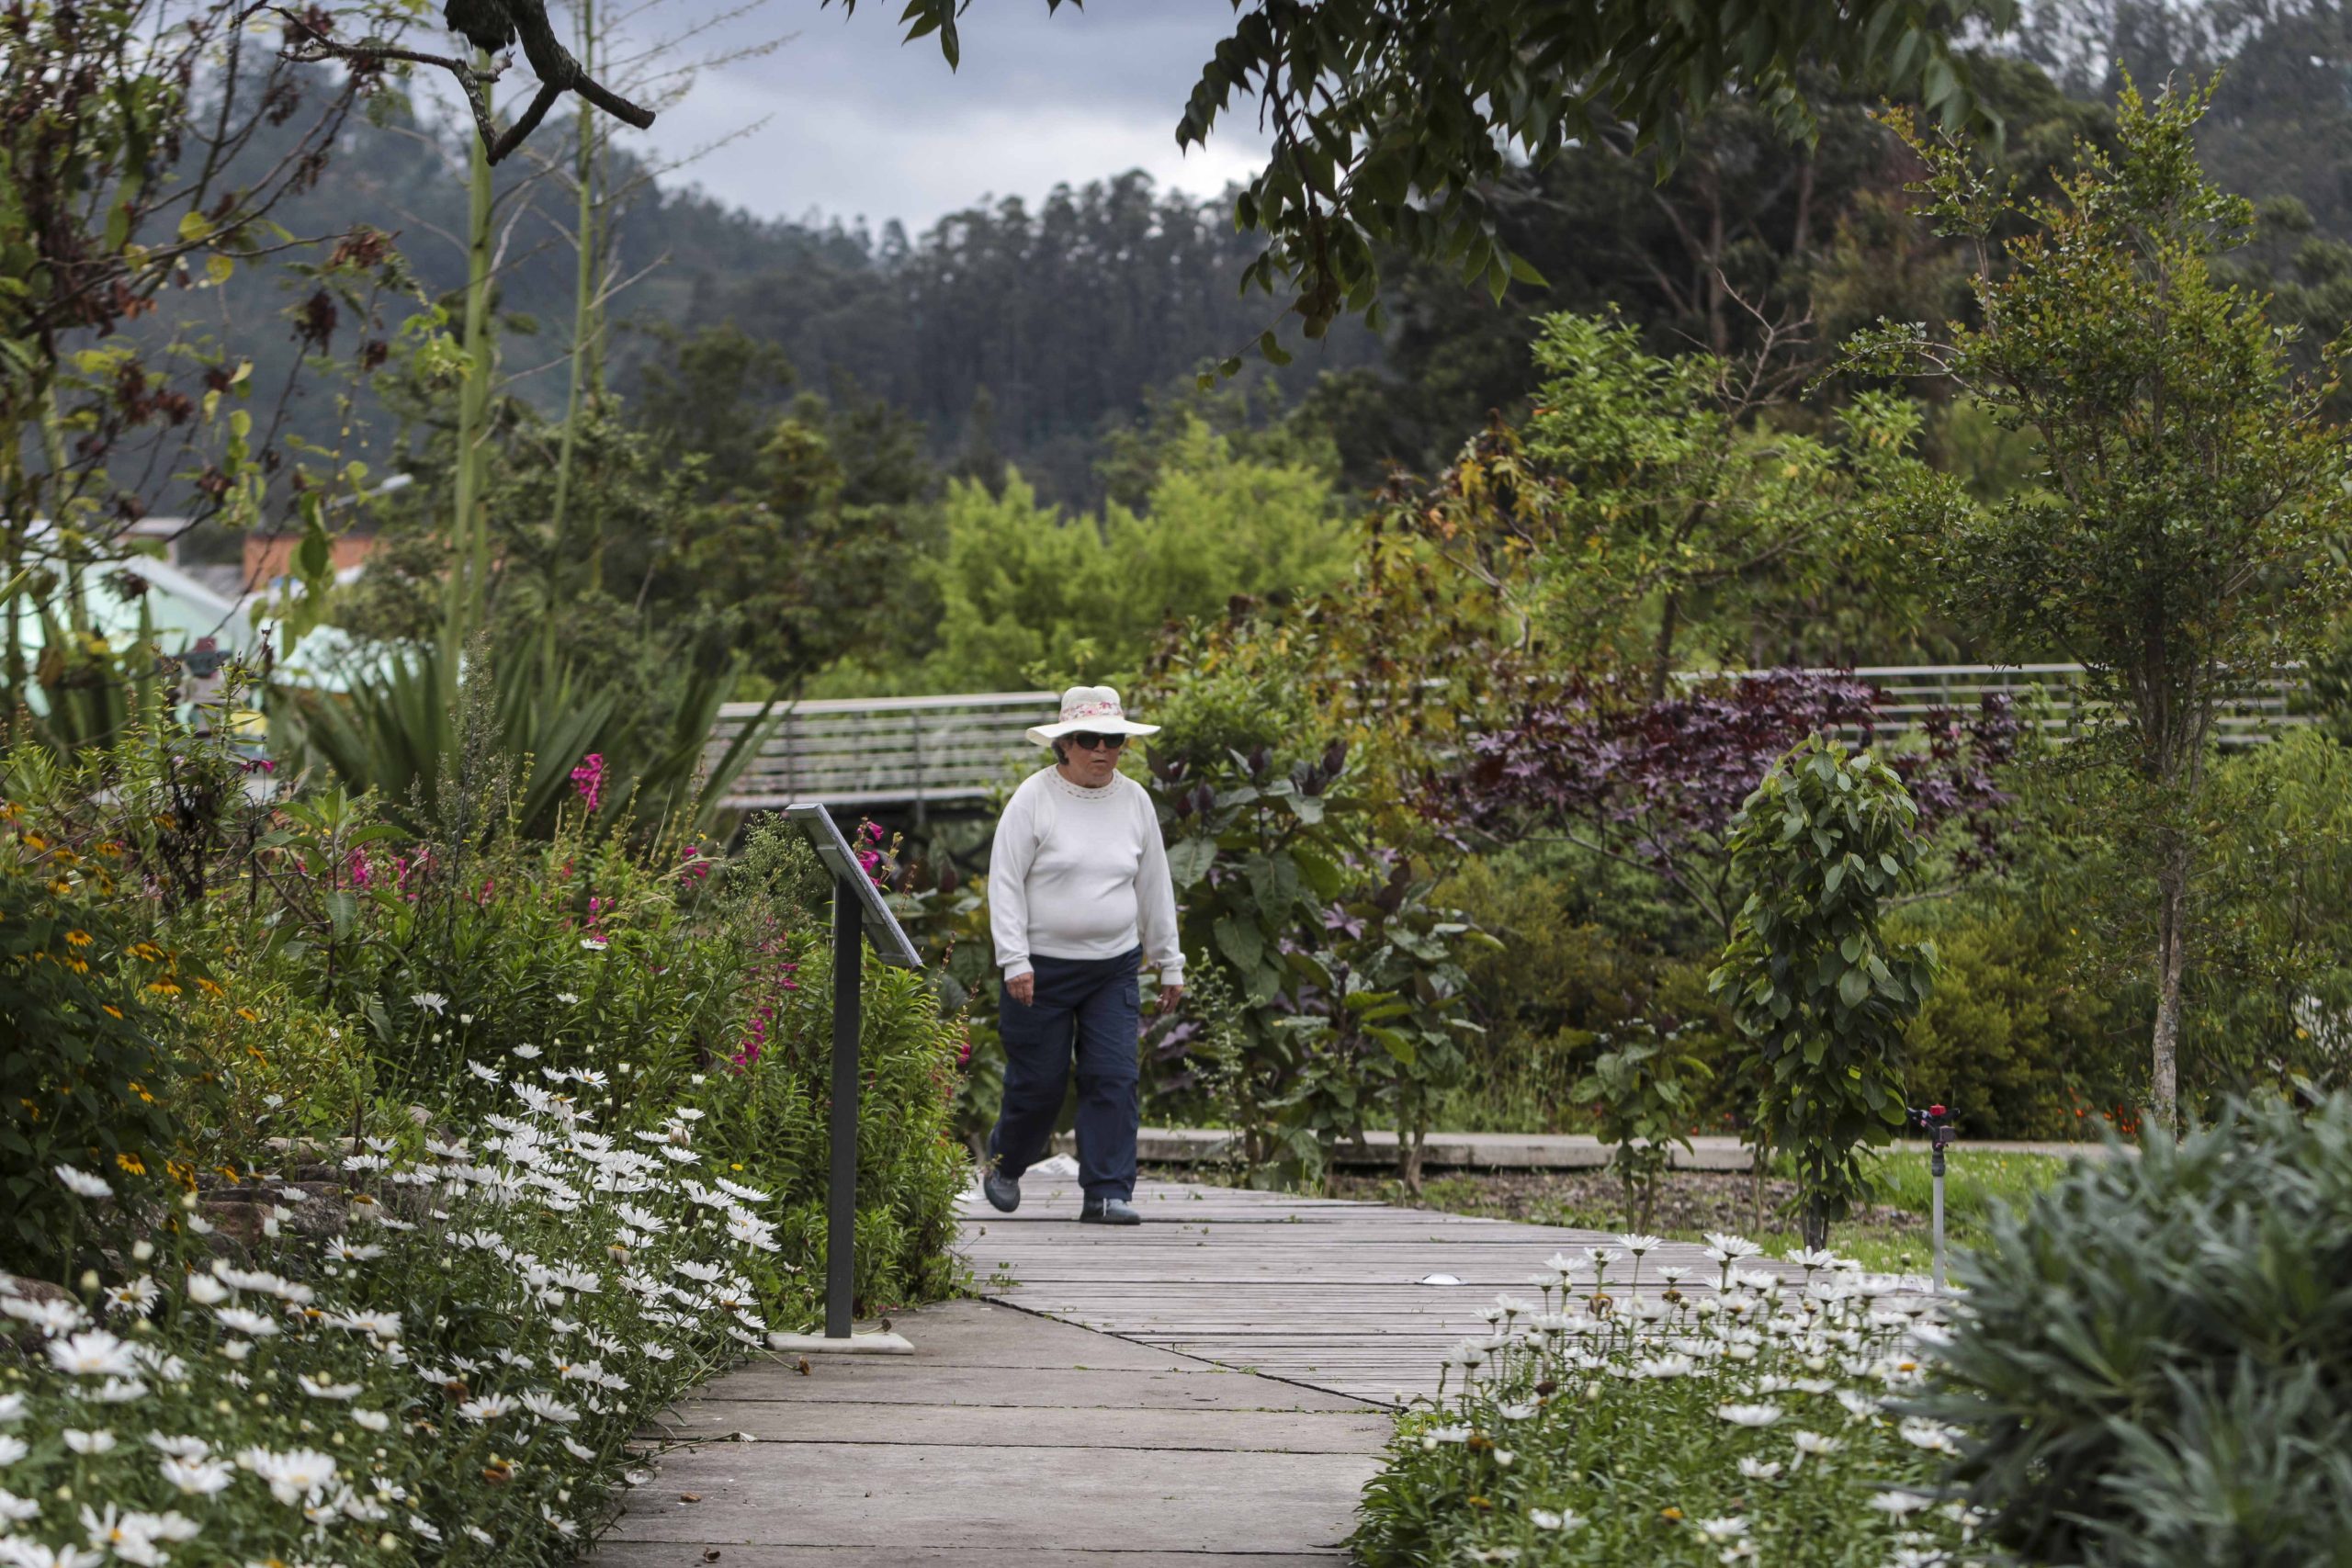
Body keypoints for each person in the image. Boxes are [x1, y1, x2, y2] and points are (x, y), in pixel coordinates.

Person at [981, 684, 1184, 1225]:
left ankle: (1108, 1193)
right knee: (1040, 1083)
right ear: (1065, 744)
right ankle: (1006, 1163)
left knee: (1113, 1076)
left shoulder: (1135, 801)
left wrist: (1170, 959)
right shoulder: (1033, 798)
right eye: (1090, 739)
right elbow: (1004, 883)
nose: (1103, 750)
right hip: (1039, 970)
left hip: (1113, 966)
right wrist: (1014, 959)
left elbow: (1154, 884)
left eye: (1113, 740)